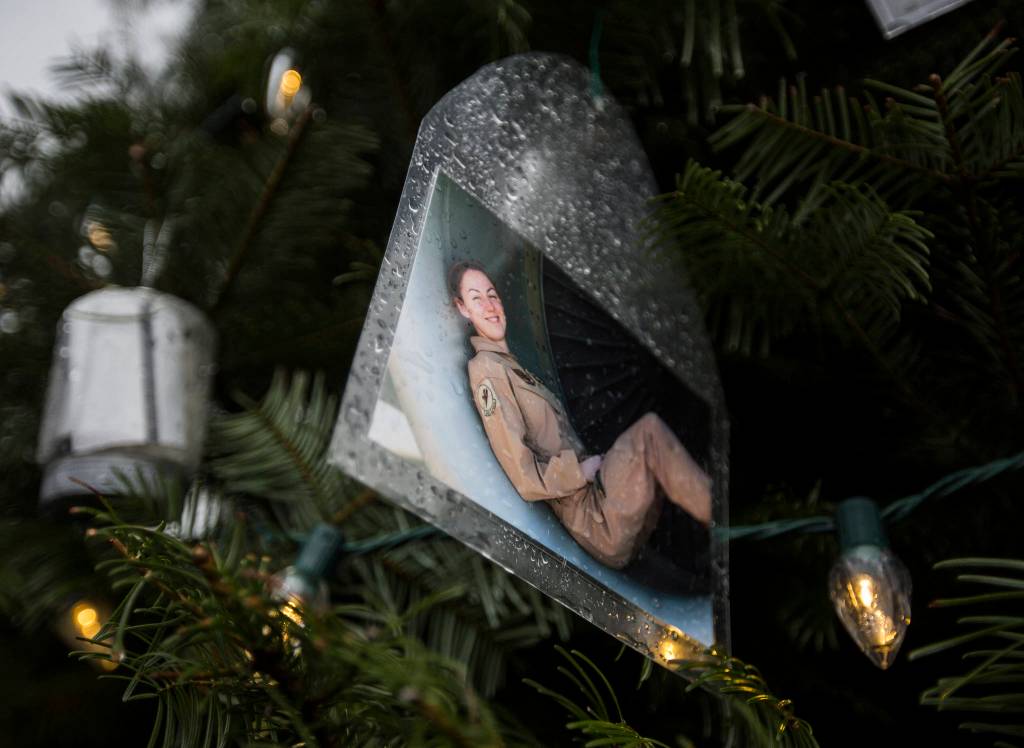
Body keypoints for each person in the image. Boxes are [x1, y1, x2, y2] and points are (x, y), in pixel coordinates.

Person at [448, 260, 712, 569]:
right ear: (463, 308)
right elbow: (524, 477)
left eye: (493, 295)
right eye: (476, 298)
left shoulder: (512, 366)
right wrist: (581, 470)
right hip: (593, 520)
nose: (490, 305)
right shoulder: (487, 371)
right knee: (648, 432)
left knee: (660, 443)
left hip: (600, 494)